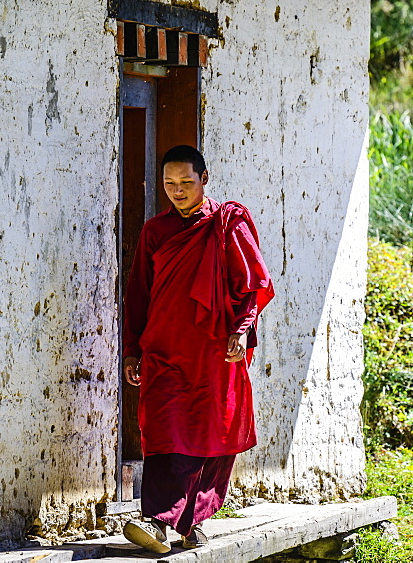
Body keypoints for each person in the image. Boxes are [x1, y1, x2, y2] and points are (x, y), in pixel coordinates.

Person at [121, 145, 274, 552]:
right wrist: (132, 349)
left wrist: (242, 330)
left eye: (186, 182)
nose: (178, 191)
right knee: (164, 431)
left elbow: (253, 284)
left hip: (213, 352)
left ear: (204, 179)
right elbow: (138, 294)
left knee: (211, 434)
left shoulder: (227, 223)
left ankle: (190, 520)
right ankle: (156, 520)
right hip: (164, 349)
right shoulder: (156, 231)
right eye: (169, 184)